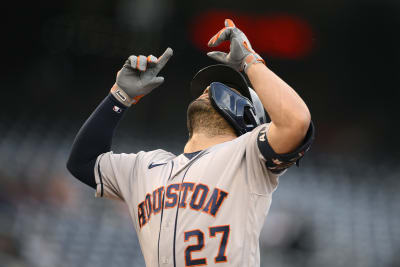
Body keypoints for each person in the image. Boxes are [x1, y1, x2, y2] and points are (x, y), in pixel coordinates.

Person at [67, 19, 314, 267]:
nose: (209, 89)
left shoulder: (248, 157)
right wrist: (119, 96)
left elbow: (295, 121)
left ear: (249, 117)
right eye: (206, 88)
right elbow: (83, 162)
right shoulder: (147, 167)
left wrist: (249, 61)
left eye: (227, 88)